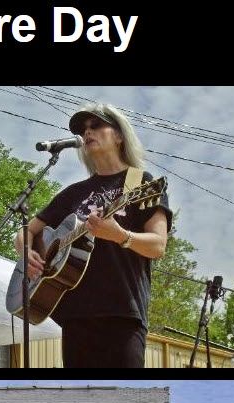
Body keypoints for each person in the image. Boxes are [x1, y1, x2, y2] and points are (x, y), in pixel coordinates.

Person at [16, 103, 172, 368]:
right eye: (83, 129)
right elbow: (26, 231)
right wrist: (26, 251)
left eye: (96, 125)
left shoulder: (139, 181)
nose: (87, 132)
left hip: (122, 313)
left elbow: (158, 246)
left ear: (120, 136)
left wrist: (121, 235)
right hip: (75, 315)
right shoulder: (73, 193)